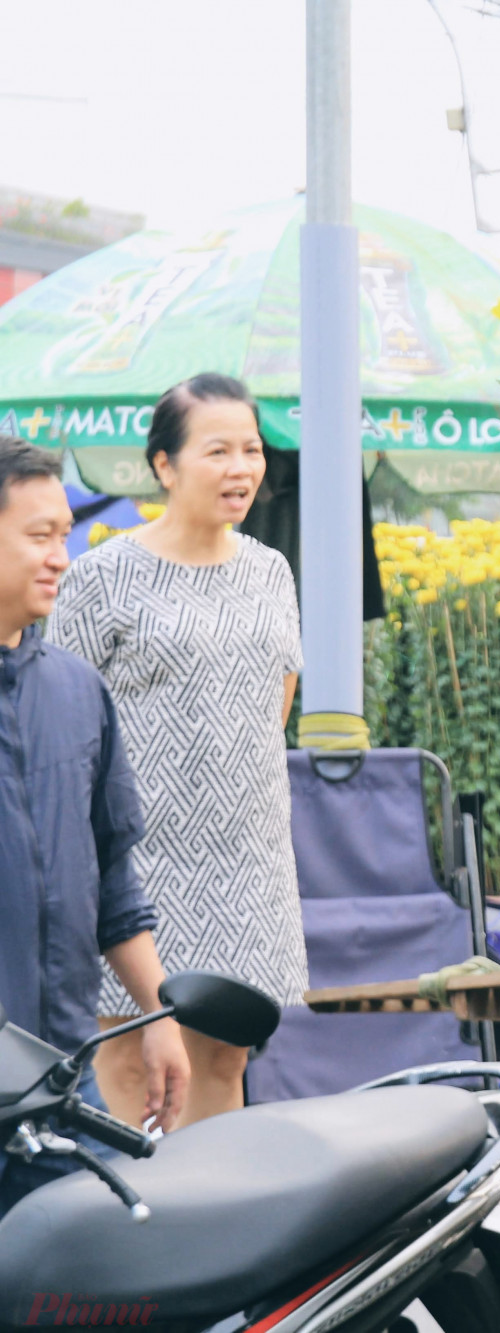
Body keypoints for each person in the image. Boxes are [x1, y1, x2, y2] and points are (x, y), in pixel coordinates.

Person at [46, 375, 305, 1129]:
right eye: (217, 450)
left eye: (251, 449)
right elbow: (67, 719)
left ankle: (214, 1235)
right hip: (139, 868)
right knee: (131, 1057)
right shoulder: (102, 576)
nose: (241, 468)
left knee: (225, 1055)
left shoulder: (269, 571)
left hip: (248, 860)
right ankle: (137, 1236)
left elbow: (273, 702)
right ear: (164, 465)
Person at [0, 437, 189, 1217]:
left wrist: (159, 1016)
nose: (63, 556)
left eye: (64, 533)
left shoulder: (78, 691)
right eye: (39, 536)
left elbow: (114, 877)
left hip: (57, 1086)